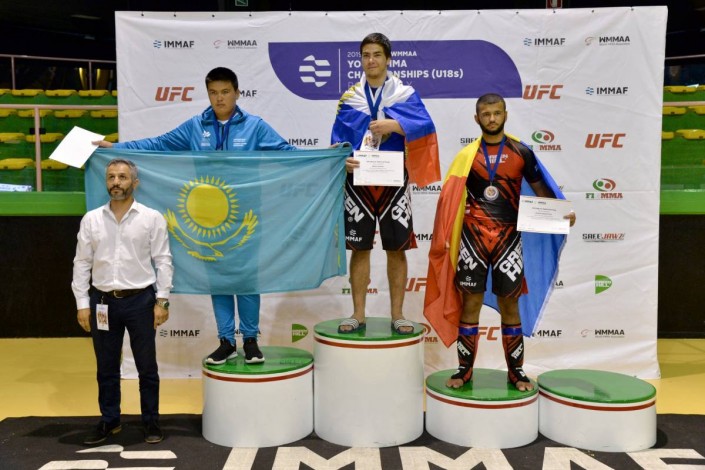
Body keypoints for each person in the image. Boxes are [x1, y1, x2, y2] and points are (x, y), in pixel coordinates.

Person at [95, 67, 296, 365]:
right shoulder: (196, 126)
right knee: (219, 281)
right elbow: (158, 144)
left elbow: (290, 154)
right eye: (213, 93)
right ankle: (226, 341)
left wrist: (329, 159)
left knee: (247, 281)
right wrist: (116, 147)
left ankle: (251, 341)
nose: (219, 98)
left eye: (225, 92)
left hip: (246, 218)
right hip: (208, 219)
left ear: (237, 93)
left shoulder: (255, 126)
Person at [424, 93, 576, 391]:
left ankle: (516, 373)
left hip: (508, 240)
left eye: (496, 113)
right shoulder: (466, 156)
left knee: (510, 305)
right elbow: (448, 202)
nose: (491, 118)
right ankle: (464, 370)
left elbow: (542, 192)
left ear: (505, 115)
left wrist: (561, 215)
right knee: (470, 304)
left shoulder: (522, 152)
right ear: (476, 118)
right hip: (473, 240)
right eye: (486, 114)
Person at [331, 33, 440, 335]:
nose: (371, 60)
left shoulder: (404, 93)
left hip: (393, 181)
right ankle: (358, 314)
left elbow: (426, 125)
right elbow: (337, 141)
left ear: (388, 59)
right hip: (358, 181)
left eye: (377, 54)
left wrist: (397, 125)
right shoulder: (350, 97)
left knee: (396, 248)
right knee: (359, 249)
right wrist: (342, 160)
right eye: (366, 55)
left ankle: (398, 315)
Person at [72, 158, 173, 445]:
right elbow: (82, 263)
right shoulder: (91, 219)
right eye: (111, 177)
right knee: (106, 367)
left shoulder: (151, 218)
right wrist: (82, 303)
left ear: (134, 183)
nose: (116, 182)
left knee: (146, 367)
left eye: (122, 177)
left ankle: (151, 421)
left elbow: (163, 261)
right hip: (102, 303)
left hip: (141, 301)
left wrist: (162, 301)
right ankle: (110, 420)